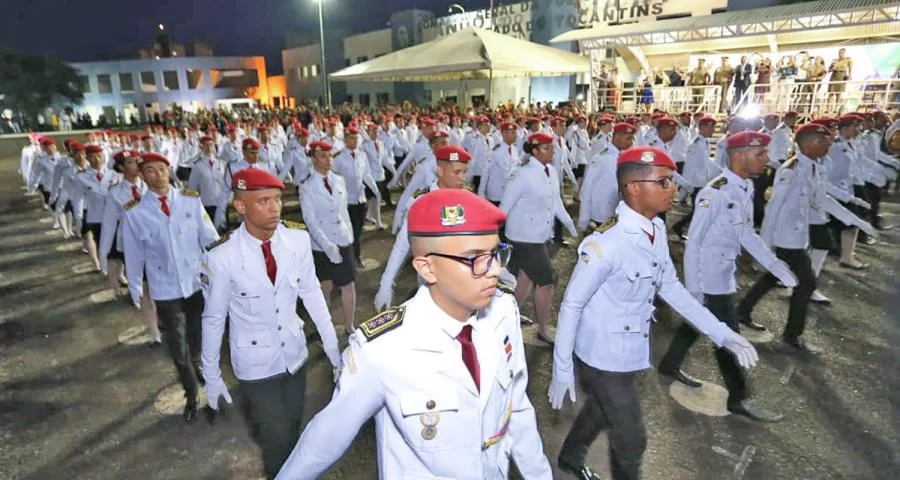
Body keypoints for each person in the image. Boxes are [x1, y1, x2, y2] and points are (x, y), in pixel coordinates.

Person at [276, 189, 553, 480]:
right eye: (475, 259)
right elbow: (323, 441)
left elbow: (517, 407)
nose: (495, 270)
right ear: (427, 268)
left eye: (497, 253)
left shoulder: (503, 312)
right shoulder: (384, 349)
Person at [550, 146, 759, 480]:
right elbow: (572, 305)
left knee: (603, 410)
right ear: (634, 188)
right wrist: (561, 368)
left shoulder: (655, 230)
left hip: (630, 348)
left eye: (671, 182)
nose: (672, 189)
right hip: (601, 355)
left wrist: (725, 334)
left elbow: (672, 288)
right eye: (663, 182)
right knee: (632, 440)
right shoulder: (605, 243)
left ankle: (571, 457)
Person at [201, 168, 341, 480]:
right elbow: (213, 318)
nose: (274, 207)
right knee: (275, 439)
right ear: (241, 207)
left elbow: (312, 294)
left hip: (294, 355)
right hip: (255, 366)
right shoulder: (221, 257)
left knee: (292, 430)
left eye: (277, 199)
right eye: (263, 200)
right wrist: (210, 374)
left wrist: (333, 348)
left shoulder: (298, 240)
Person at [657, 132, 796, 422]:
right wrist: (695, 291)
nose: (766, 159)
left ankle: (669, 364)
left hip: (722, 275)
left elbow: (745, 231)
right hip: (708, 280)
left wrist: (774, 264)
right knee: (728, 339)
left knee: (697, 325)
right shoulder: (715, 192)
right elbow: (693, 242)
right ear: (738, 155)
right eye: (760, 154)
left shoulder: (743, 187)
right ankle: (738, 397)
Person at [738, 124, 875, 352]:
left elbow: (821, 200)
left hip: (798, 236)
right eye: (824, 142)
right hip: (785, 238)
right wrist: (764, 247)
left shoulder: (814, 167)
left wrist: (856, 219)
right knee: (807, 283)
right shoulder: (791, 170)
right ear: (808, 144)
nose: (828, 146)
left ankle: (742, 311)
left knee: (773, 277)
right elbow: (774, 209)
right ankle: (793, 335)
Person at [121, 152, 220, 423]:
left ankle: (196, 363)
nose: (157, 175)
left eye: (161, 169)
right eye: (150, 171)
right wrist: (134, 289)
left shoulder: (190, 200)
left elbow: (209, 238)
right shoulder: (135, 212)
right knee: (177, 344)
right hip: (165, 288)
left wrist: (219, 271)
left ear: (169, 171)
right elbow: (133, 255)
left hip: (195, 282)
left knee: (196, 336)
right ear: (142, 175)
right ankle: (191, 392)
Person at [501, 132, 577, 343]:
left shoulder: (550, 171)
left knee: (525, 278)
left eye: (552, 148)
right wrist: (488, 233)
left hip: (539, 236)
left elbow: (556, 203)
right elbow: (504, 207)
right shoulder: (522, 174)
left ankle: (508, 316)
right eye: (546, 148)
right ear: (533, 151)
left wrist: (572, 227)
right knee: (546, 280)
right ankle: (543, 329)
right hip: (522, 237)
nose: (551, 152)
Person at [374, 144, 472, 310]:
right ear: (440, 171)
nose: (462, 178)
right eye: (456, 172)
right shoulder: (422, 203)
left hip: (464, 279)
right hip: (432, 283)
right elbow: (402, 245)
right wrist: (386, 284)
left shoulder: (468, 199)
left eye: (464, 172)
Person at [98, 149, 161, 346]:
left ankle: (160, 319)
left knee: (160, 287)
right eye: (132, 162)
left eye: (137, 161)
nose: (137, 165)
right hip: (132, 246)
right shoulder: (116, 193)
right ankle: (154, 331)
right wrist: (103, 255)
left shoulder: (152, 186)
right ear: (122, 168)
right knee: (145, 289)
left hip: (156, 244)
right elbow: (108, 225)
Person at [332, 127, 381, 265]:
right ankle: (353, 257)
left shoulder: (361, 155)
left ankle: (353, 254)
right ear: (346, 139)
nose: (355, 141)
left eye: (356, 138)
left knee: (358, 229)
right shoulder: (339, 157)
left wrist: (376, 191)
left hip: (360, 198)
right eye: (352, 138)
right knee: (350, 229)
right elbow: (332, 177)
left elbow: (367, 175)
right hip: (347, 201)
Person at [579, 122, 636, 232]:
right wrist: (584, 216)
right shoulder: (602, 157)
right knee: (594, 245)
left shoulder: (624, 156)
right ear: (617, 137)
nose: (631, 143)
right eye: (628, 139)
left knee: (609, 245)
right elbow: (588, 186)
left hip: (615, 211)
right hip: (600, 214)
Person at [673, 116, 721, 239]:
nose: (712, 130)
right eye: (710, 128)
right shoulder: (697, 145)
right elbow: (690, 167)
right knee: (701, 209)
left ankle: (681, 226)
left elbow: (706, 165)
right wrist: (688, 186)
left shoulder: (704, 143)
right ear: (702, 128)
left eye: (713, 128)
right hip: (696, 184)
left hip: (702, 183)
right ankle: (685, 228)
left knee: (701, 209)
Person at [186, 136, 227, 222]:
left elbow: (226, 183)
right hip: (207, 203)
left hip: (221, 202)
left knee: (223, 229)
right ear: (202, 148)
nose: (209, 148)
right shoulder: (198, 166)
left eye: (211, 145)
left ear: (214, 147)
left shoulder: (221, 163)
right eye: (206, 145)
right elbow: (192, 186)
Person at [479, 121, 519, 205]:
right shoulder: (496, 151)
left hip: (509, 193)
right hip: (496, 195)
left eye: (515, 132)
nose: (516, 135)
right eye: (513, 133)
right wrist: (481, 194)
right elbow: (486, 172)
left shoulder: (514, 149)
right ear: (504, 134)